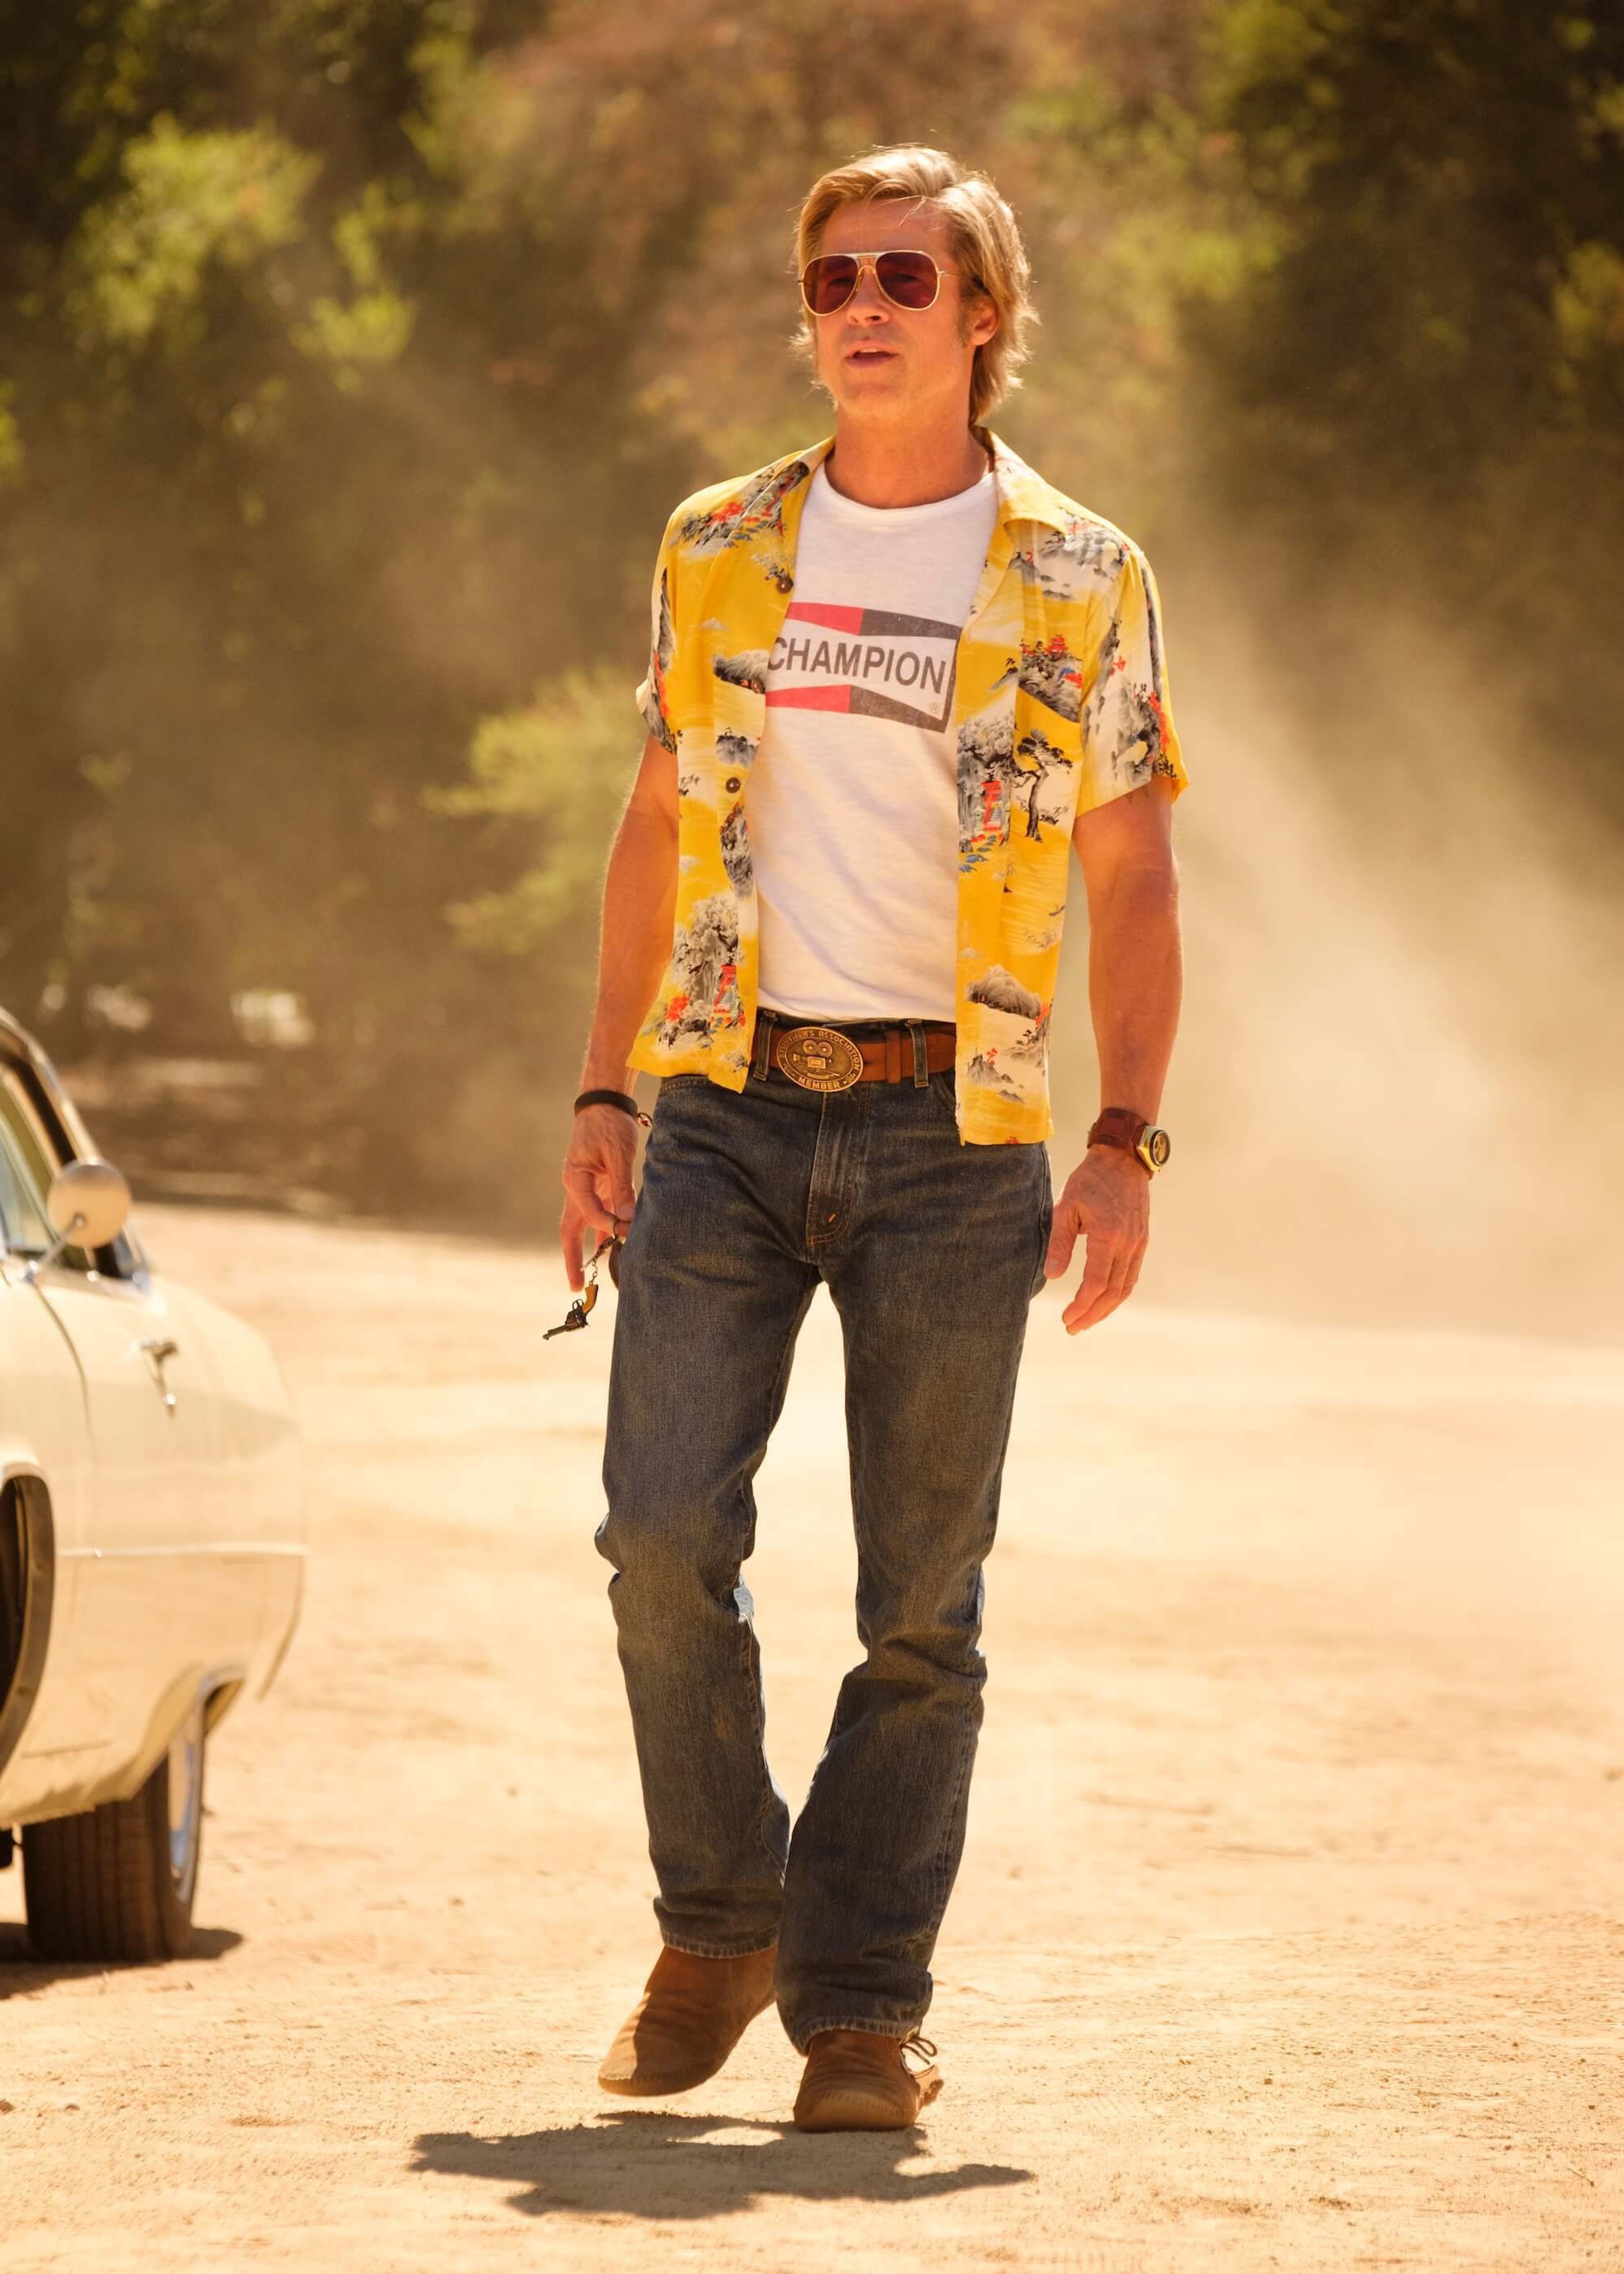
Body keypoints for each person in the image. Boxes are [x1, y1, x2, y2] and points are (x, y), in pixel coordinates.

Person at [561, 144, 1187, 2134]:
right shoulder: (719, 544)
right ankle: (720, 1919)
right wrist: (603, 1089)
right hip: (729, 1105)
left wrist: (1125, 1138)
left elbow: (1134, 875)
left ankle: (858, 2008)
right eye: (835, 275)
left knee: (923, 1605)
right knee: (661, 1539)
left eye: (906, 276)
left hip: (957, 1127)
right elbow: (657, 818)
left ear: (984, 318)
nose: (861, 306)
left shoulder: (1080, 574)